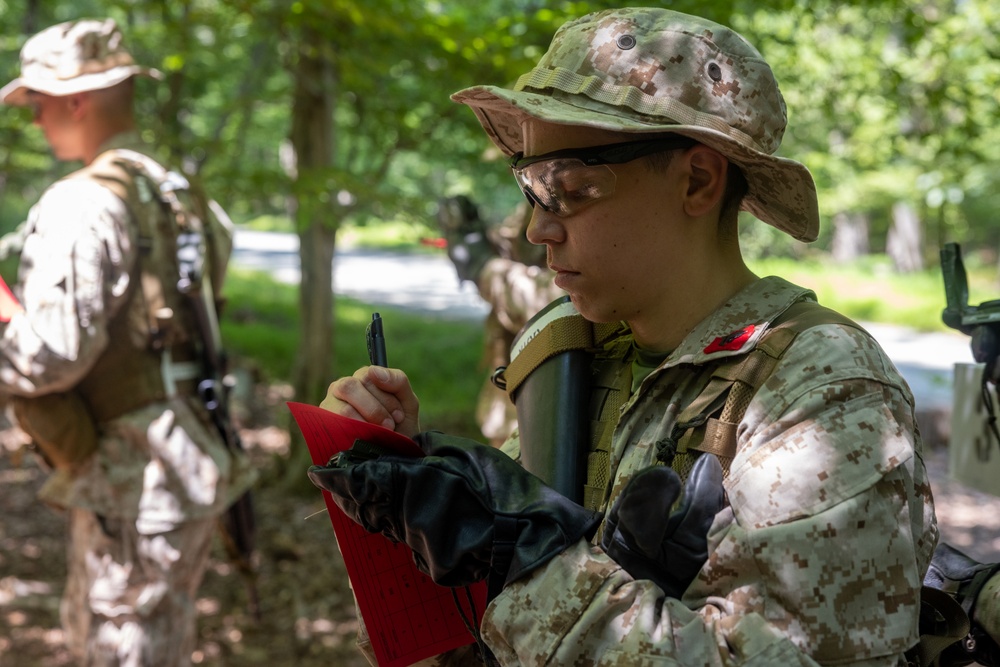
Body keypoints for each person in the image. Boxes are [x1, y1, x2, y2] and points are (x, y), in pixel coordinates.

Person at [308, 7, 999, 666]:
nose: (536, 229)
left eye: (568, 186)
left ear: (697, 179)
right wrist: (406, 506)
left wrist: (519, 557)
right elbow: (478, 634)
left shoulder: (823, 393)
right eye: (529, 188)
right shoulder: (577, 356)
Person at [0, 18, 255, 665]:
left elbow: (50, 354)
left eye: (38, 104)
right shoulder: (182, 194)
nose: (35, 121)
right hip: (185, 454)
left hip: (134, 476)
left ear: (75, 99)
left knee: (121, 649)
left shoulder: (83, 202)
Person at [437, 196, 564, 446]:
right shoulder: (531, 199)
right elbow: (516, 249)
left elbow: (556, 301)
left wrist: (485, 267)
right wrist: (477, 239)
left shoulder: (564, 193)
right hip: (510, 390)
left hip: (549, 398)